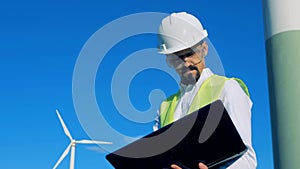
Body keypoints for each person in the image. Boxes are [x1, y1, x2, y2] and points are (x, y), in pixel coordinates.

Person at [154, 12, 257, 169]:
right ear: (169, 61)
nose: (186, 63)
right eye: (177, 58)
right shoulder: (164, 108)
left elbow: (247, 160)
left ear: (204, 49)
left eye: (190, 54)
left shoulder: (227, 89)